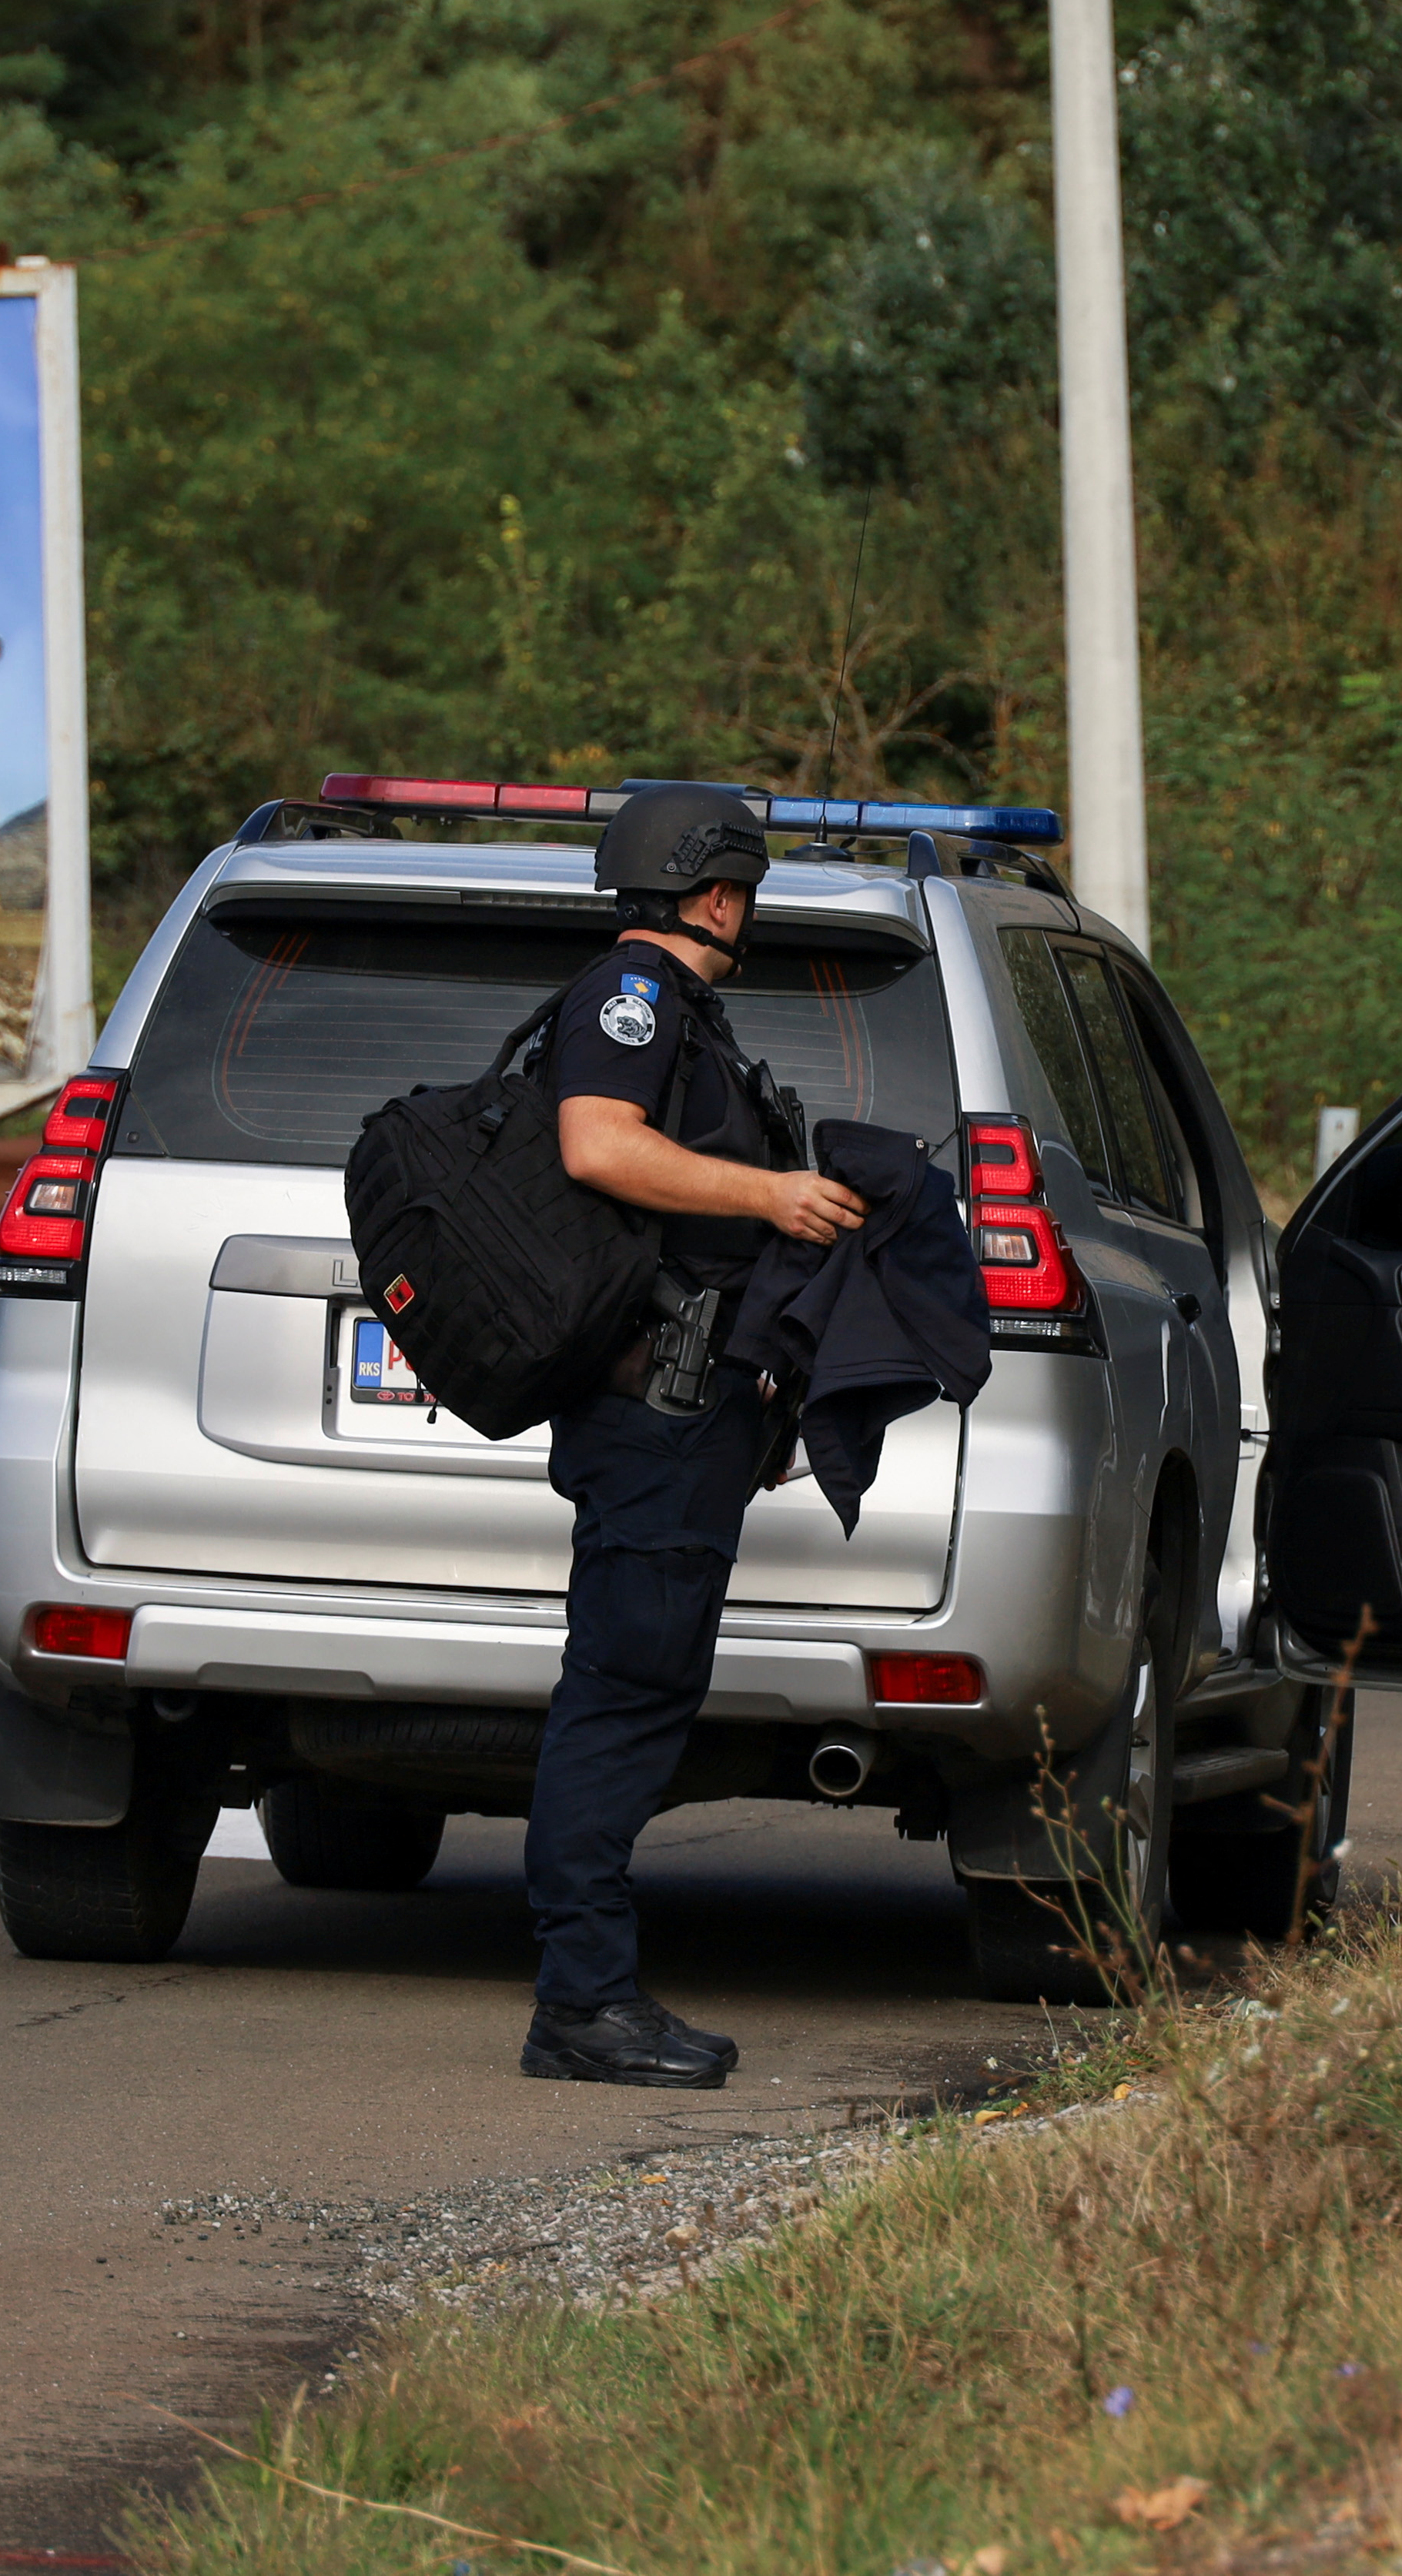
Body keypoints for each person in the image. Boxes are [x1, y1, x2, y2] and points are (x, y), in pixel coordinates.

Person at [517, 784, 865, 2089]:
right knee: (621, 1694)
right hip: (651, 1413)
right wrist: (774, 1190)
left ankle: (590, 1989)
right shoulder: (637, 999)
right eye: (748, 893)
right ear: (717, 893)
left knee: (636, 1688)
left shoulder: (678, 1011)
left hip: (690, 1409)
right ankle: (583, 2001)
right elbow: (598, 1143)